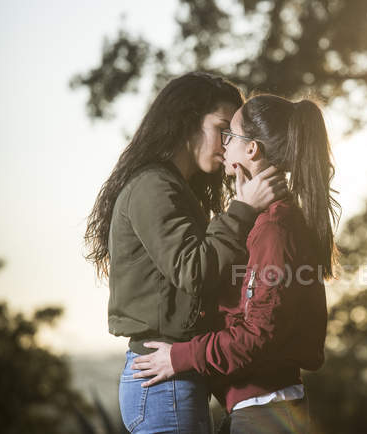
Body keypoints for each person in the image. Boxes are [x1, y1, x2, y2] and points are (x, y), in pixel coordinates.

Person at [84, 73, 287, 433]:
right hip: (163, 382)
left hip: (174, 376)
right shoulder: (153, 186)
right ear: (186, 121)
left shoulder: (175, 189)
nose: (228, 145)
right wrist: (243, 208)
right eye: (222, 129)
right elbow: (193, 270)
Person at [130, 94, 340, 433]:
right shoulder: (267, 222)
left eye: (231, 136)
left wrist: (180, 356)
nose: (223, 145)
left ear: (252, 149)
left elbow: (258, 334)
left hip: (266, 413)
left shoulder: (274, 228)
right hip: (260, 409)